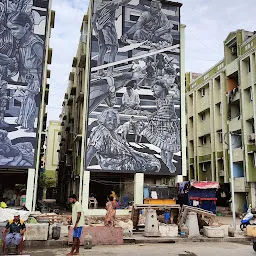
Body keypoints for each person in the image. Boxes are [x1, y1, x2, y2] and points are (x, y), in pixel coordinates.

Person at [86, 108, 161, 172]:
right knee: (146, 165)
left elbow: (126, 146)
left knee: (150, 158)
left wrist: (136, 156)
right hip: (114, 163)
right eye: (109, 119)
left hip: (126, 156)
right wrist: (84, 170)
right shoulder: (100, 132)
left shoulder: (113, 132)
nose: (112, 122)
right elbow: (90, 152)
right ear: (104, 120)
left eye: (114, 120)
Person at [143, 80, 180, 173]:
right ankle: (163, 156)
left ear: (162, 87)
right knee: (163, 142)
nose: (154, 90)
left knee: (170, 142)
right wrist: (151, 115)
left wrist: (175, 88)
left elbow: (177, 97)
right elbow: (159, 111)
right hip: (161, 123)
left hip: (170, 123)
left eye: (156, 87)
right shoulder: (158, 101)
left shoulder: (170, 97)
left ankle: (169, 161)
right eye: (153, 89)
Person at [0, 12, 44, 84]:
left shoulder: (35, 43)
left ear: (26, 26)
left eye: (15, 29)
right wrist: (8, 61)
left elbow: (45, 65)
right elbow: (17, 66)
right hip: (22, 84)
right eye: (10, 29)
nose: (12, 32)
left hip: (35, 85)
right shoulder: (19, 42)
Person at [92, 0, 132, 76]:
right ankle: (110, 72)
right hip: (108, 28)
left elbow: (93, 21)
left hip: (100, 30)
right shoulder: (110, 4)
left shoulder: (99, 6)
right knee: (114, 48)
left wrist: (96, 31)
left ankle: (99, 71)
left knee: (102, 50)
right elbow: (123, 3)